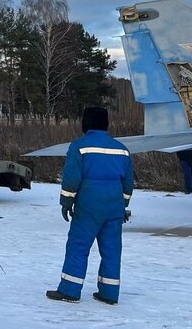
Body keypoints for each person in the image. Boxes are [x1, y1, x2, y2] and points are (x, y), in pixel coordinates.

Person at [47, 106, 133, 305]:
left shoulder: (79, 146)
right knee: (112, 249)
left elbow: (71, 178)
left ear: (85, 123)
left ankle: (70, 290)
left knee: (78, 245)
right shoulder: (122, 149)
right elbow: (128, 182)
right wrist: (123, 204)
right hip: (114, 204)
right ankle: (109, 293)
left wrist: (66, 201)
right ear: (106, 123)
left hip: (89, 202)